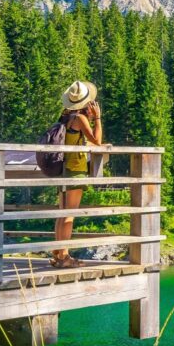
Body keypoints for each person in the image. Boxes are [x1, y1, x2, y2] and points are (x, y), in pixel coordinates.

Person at [51, 80, 107, 268]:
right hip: (75, 170)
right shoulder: (79, 119)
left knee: (62, 213)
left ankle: (59, 254)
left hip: (63, 169)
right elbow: (97, 141)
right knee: (70, 215)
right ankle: (64, 256)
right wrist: (97, 118)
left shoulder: (66, 117)